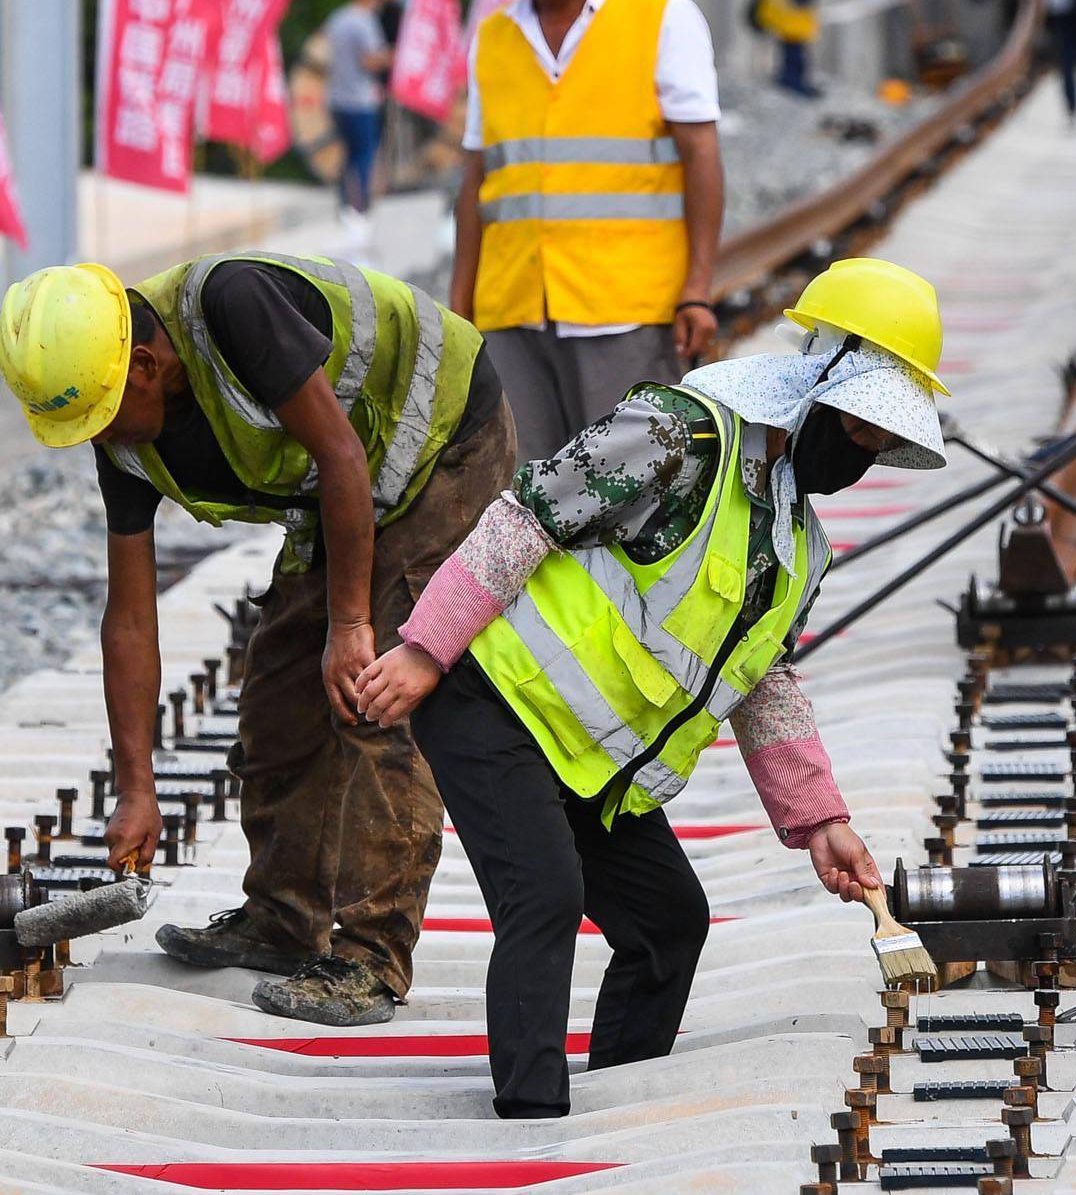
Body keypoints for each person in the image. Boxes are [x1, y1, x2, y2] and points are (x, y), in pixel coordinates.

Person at [348, 258, 944, 1117]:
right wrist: (426, 650)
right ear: (817, 377)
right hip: (493, 701)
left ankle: (622, 1096)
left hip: (594, 763)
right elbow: (527, 518)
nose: (862, 453)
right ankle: (531, 1116)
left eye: (877, 442)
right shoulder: (676, 435)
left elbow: (764, 680)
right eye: (856, 428)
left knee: (668, 922)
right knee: (544, 893)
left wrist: (822, 820)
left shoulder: (801, 543)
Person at [0, 252, 514, 1028]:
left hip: (439, 441)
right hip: (340, 485)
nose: (96, 438)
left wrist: (349, 625)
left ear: (143, 365)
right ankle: (281, 921)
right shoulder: (124, 433)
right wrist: (137, 788)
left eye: (99, 416)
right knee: (278, 692)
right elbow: (131, 618)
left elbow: (340, 453)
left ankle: (370, 961)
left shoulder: (235, 307)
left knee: (373, 696)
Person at [454, 0, 725, 462]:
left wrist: (698, 289)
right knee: (526, 499)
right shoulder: (492, 39)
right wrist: (460, 314)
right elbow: (477, 181)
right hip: (514, 313)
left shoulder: (662, 17)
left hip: (626, 309)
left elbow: (702, 159)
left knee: (630, 497)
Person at [321, 0, 393, 234]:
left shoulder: (336, 18)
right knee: (364, 155)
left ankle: (344, 206)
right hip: (360, 99)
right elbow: (370, 61)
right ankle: (359, 208)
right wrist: (393, 55)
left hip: (337, 98)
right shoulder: (364, 22)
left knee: (348, 155)